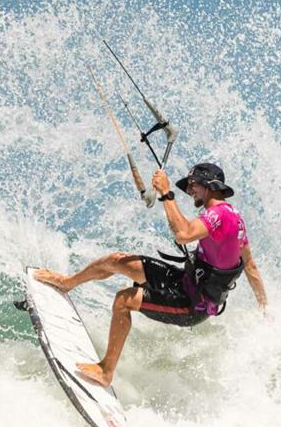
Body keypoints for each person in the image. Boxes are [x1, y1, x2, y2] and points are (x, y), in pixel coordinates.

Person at [34, 163, 268, 388]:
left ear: (208, 186)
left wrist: (166, 193)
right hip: (185, 283)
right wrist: (264, 309)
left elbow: (183, 234)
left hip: (192, 304)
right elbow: (250, 267)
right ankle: (67, 283)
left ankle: (106, 371)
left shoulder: (218, 215)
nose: (189, 191)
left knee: (123, 300)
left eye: (192, 185)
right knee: (117, 260)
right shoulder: (235, 219)